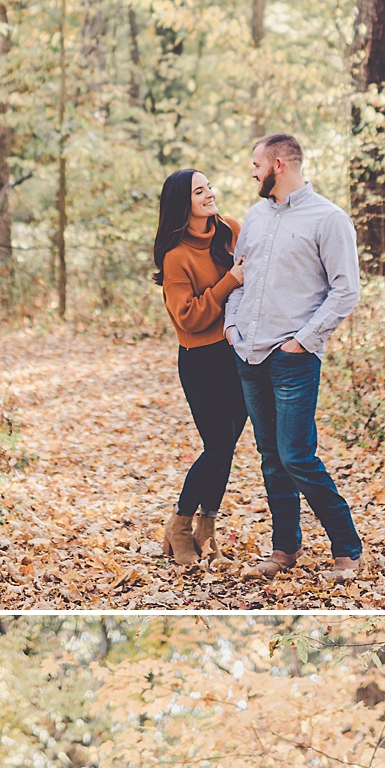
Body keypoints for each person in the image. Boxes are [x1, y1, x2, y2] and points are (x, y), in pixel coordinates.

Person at [224, 133, 362, 580]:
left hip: (292, 357)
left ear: (279, 164)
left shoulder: (329, 218)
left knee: (297, 456)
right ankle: (284, 549)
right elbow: (238, 277)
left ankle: (347, 549)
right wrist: (231, 326)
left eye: (256, 164)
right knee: (269, 457)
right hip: (249, 353)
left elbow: (346, 290)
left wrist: (303, 340)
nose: (252, 172)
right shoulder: (255, 216)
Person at [152, 169, 247, 567]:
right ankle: (179, 524)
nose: (210, 194)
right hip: (200, 359)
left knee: (226, 450)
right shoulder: (176, 258)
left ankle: (206, 528)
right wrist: (229, 282)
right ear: (182, 202)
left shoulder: (231, 230)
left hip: (238, 351)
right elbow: (188, 317)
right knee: (218, 446)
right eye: (199, 190)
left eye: (209, 186)